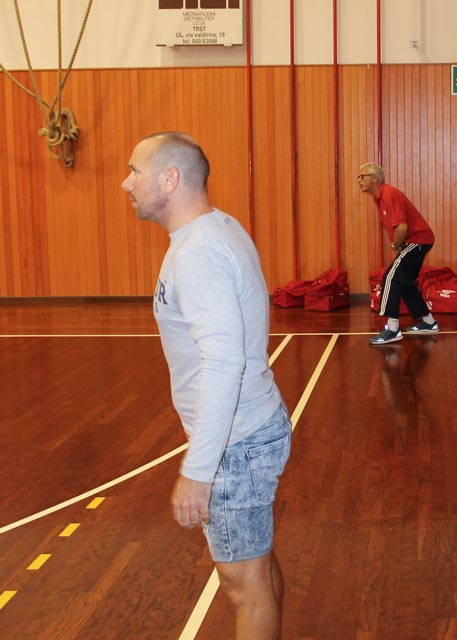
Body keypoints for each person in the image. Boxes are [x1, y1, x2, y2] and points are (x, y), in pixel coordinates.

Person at [122, 132, 290, 640]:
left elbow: (223, 363)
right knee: (256, 570)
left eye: (135, 171)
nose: (126, 183)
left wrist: (199, 471)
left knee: (244, 588)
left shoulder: (197, 252)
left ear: (169, 179)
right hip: (250, 429)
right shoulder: (218, 229)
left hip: (236, 445)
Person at [358, 162, 438, 344]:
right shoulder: (379, 198)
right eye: (358, 177)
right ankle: (428, 322)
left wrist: (395, 245)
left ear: (374, 178)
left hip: (418, 240)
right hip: (415, 241)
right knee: (405, 282)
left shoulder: (389, 194)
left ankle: (393, 329)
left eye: (362, 177)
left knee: (391, 277)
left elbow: (402, 227)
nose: (359, 180)